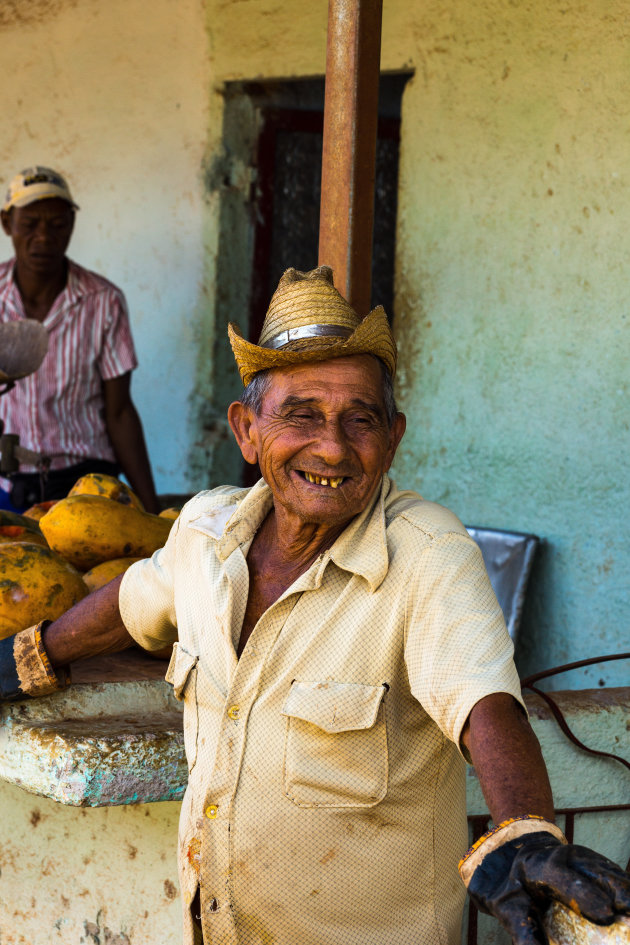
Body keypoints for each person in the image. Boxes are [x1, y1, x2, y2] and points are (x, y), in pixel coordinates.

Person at [0, 266, 628, 945]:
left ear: (393, 437)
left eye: (360, 419)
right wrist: (24, 659)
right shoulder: (205, 532)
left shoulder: (427, 552)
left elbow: (485, 703)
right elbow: (129, 602)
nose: (332, 445)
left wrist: (525, 830)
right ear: (246, 429)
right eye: (301, 415)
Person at [0, 165, 159, 513]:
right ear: (6, 223)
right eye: (29, 225)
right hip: (8, 483)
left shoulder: (103, 300)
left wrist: (153, 511)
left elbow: (119, 412)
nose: (43, 237)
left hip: (87, 484)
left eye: (57, 225)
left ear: (71, 224)